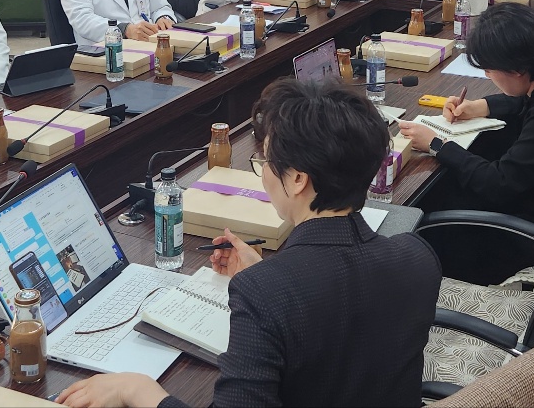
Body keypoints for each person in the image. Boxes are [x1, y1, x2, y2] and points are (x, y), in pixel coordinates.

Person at [57, 78, 441, 408]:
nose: (264, 175)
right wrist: (268, 274)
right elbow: (342, 303)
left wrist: (139, 391)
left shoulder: (263, 293)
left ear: (297, 179)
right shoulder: (417, 256)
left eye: (266, 162)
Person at [398, 2, 534, 283]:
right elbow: (528, 102)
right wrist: (480, 106)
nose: (488, 76)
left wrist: (437, 144)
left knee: (429, 213)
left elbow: (498, 184)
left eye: (489, 70)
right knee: (450, 184)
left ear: (517, 70)